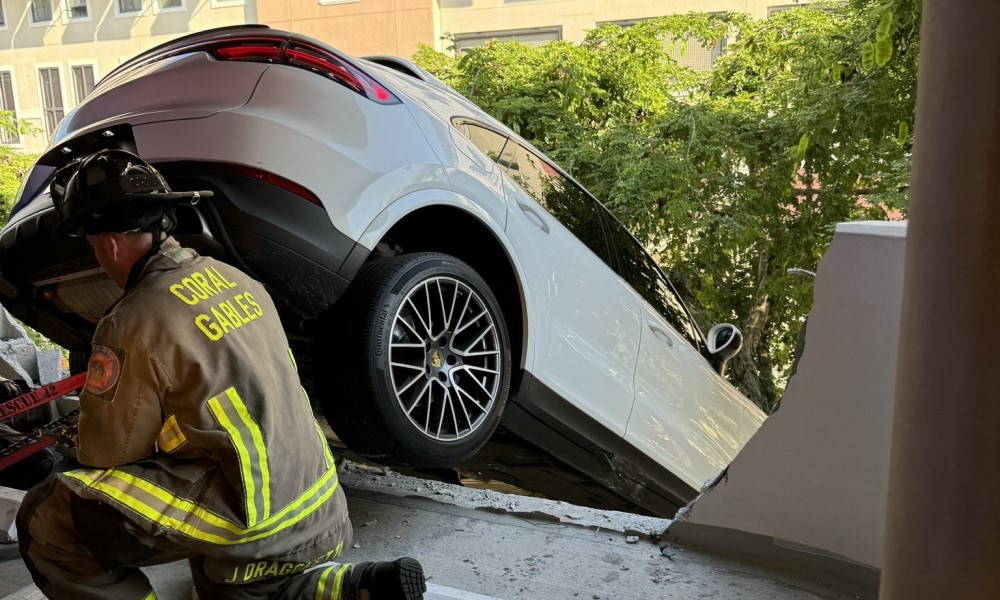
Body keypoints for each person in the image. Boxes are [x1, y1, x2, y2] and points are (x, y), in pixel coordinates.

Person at [15, 149, 426, 600]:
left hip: (255, 512)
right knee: (226, 588)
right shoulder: (239, 280)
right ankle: (354, 587)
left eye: (93, 247)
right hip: (316, 504)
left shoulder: (132, 320)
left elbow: (105, 455)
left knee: (49, 517)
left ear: (109, 243)